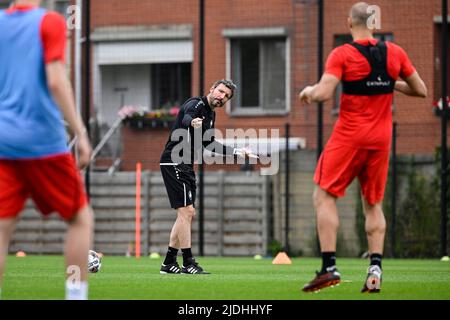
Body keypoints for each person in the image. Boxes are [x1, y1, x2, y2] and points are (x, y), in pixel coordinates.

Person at [299, 2, 427, 293]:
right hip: (381, 140)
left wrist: (308, 91)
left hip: (349, 137)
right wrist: (386, 82)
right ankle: (375, 271)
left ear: (349, 23)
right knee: (373, 204)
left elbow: (323, 93)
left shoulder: (342, 54)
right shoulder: (395, 53)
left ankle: (329, 267)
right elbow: (421, 90)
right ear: (374, 24)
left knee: (324, 195)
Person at [0, 0, 94, 300]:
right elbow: (55, 79)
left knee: (2, 229)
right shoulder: (50, 21)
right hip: (43, 142)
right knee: (80, 218)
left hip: (3, 141)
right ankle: (75, 294)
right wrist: (80, 133)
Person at [159, 79, 252, 274]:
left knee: (188, 213)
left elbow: (209, 144)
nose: (221, 96)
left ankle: (168, 262)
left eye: (226, 96)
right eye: (220, 91)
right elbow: (186, 116)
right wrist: (192, 122)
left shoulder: (210, 115)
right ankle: (188, 262)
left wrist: (237, 152)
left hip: (186, 164)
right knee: (185, 212)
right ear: (212, 89)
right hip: (174, 160)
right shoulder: (196, 104)